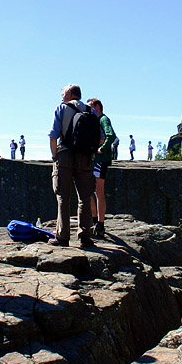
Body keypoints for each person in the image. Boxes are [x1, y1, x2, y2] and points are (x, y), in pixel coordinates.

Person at [49, 84, 103, 247]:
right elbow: (100, 138)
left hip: (65, 155)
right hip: (85, 158)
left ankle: (63, 237)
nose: (61, 96)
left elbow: (53, 136)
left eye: (63, 93)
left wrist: (54, 156)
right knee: (85, 197)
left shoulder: (61, 108)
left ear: (70, 94)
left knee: (63, 197)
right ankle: (85, 236)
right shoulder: (90, 110)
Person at [87, 98, 116, 238]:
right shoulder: (94, 121)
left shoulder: (103, 119)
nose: (88, 109)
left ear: (97, 106)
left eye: (90, 106)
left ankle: (100, 223)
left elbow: (111, 135)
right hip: (94, 159)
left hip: (100, 160)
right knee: (89, 190)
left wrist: (102, 149)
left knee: (98, 190)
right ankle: (94, 220)